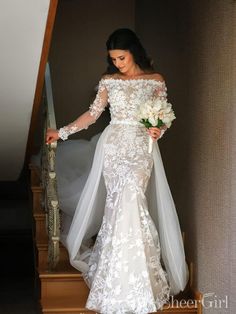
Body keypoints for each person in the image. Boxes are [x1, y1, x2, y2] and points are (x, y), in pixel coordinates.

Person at [46, 28, 189, 314]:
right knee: (117, 206)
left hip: (141, 147)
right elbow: (93, 114)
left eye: (122, 58)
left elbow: (161, 117)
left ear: (133, 52)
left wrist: (158, 128)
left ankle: (140, 279)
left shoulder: (155, 81)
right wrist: (61, 133)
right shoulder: (109, 80)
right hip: (113, 147)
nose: (119, 64)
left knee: (134, 200)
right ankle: (114, 279)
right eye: (114, 59)